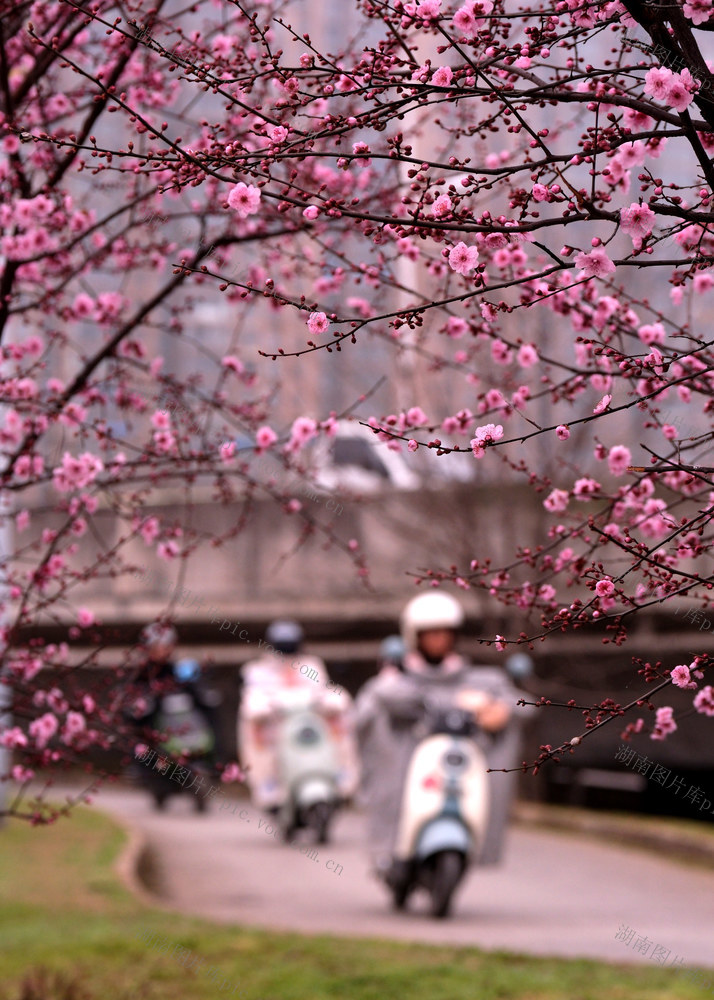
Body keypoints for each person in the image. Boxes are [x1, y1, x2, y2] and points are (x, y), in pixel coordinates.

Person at [354, 591, 532, 883]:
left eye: (445, 633)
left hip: (456, 763)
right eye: (431, 633)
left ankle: (481, 844)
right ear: (415, 636)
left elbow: (521, 704)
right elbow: (371, 706)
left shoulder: (479, 680)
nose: (439, 640)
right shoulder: (395, 680)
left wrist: (499, 709)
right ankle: (388, 850)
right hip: (407, 767)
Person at [238, 619, 359, 812]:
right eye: (282, 646)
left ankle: (342, 774)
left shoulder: (311, 665)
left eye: (290, 646)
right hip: (276, 728)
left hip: (307, 723)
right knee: (255, 731)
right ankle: (267, 783)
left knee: (341, 721)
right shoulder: (259, 670)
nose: (287, 652)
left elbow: (322, 689)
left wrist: (331, 702)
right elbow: (253, 699)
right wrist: (264, 707)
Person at [125, 622, 219, 809]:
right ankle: (144, 770)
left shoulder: (179, 671)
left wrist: (205, 696)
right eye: (157, 646)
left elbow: (197, 690)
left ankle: (213, 761)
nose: (162, 650)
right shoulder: (141, 675)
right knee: (141, 739)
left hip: (180, 725)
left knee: (212, 722)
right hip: (157, 729)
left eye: (166, 646)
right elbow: (131, 704)